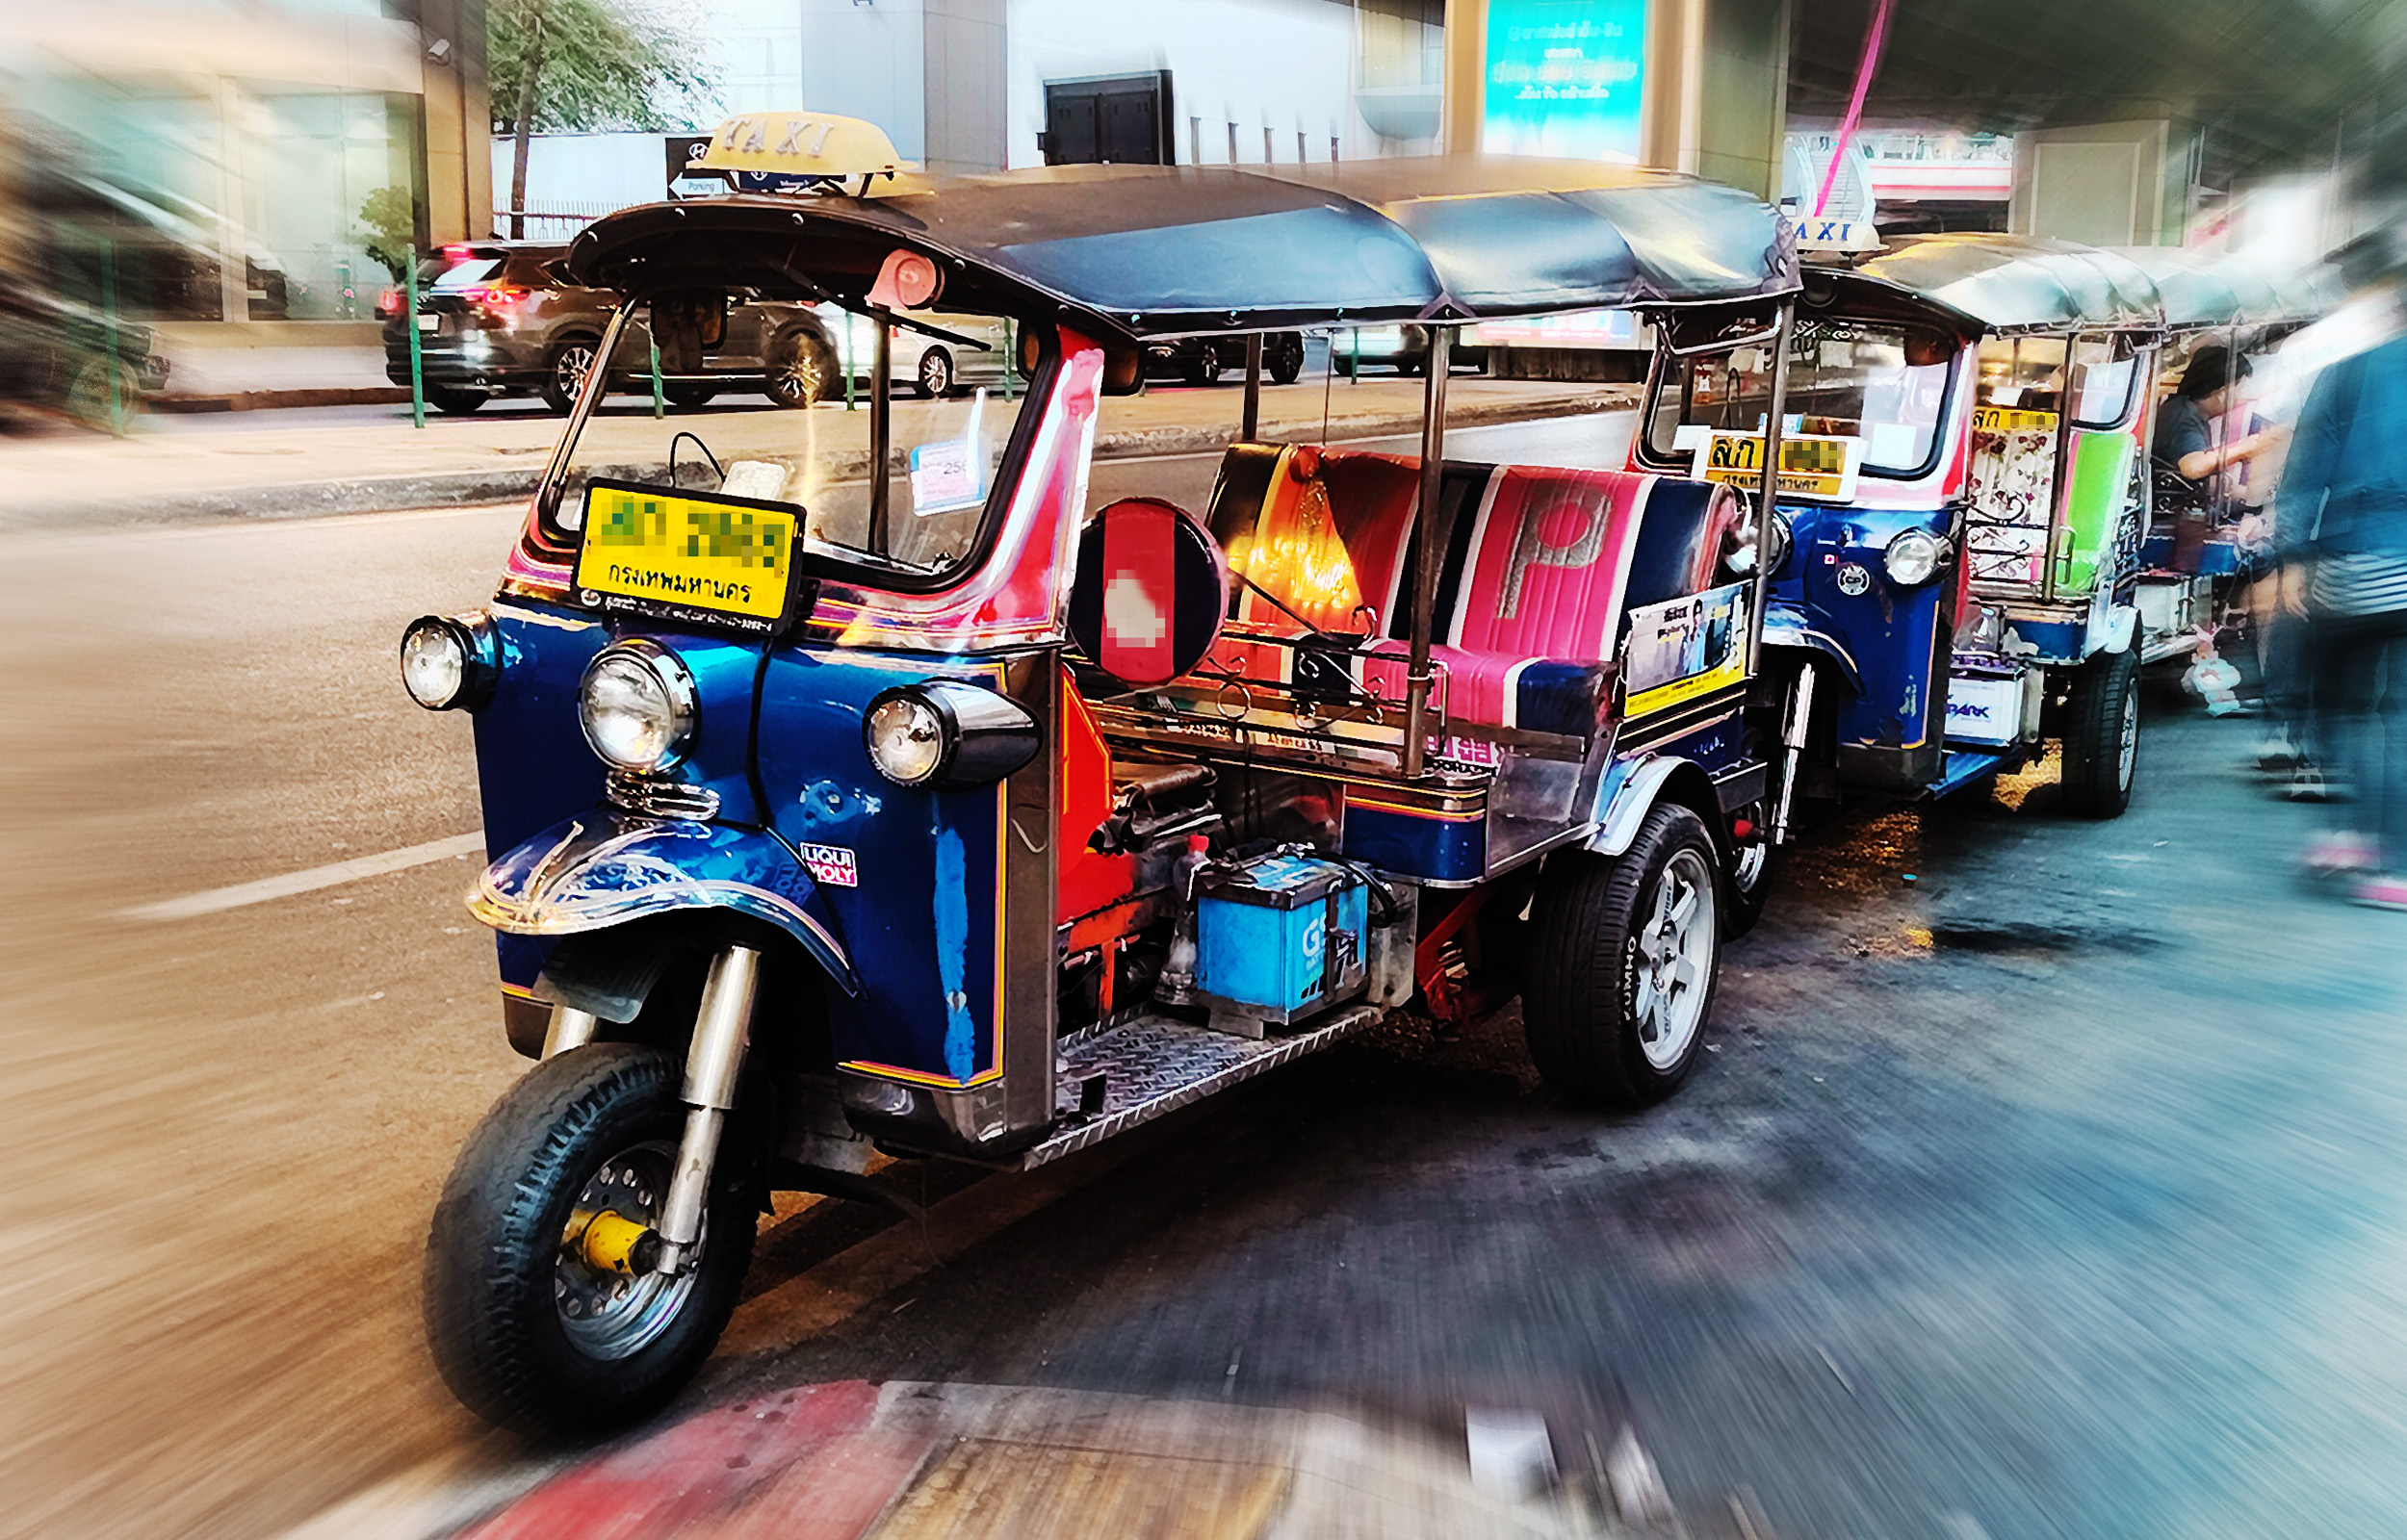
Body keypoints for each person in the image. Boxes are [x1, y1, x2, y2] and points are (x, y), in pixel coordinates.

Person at [2275, 268, 2407, 908]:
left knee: (2335, 697)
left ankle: (2344, 832)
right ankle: (2393, 870)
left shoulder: (2351, 373)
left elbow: (2307, 466)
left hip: (2356, 563)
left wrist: (2294, 557)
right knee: (2401, 717)